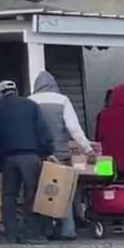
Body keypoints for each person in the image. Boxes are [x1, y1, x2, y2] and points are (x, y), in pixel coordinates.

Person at [29, 71, 94, 239]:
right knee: (64, 193)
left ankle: (46, 230)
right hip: (61, 155)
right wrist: (87, 148)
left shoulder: (30, 101)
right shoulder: (62, 100)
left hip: (39, 156)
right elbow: (74, 128)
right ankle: (67, 230)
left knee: (43, 194)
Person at [0, 80, 53, 244]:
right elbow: (42, 130)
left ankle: (11, 234)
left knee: (9, 196)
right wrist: (47, 151)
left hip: (8, 159)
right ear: (16, 91)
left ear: (1, 94)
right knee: (31, 194)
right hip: (30, 156)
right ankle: (31, 234)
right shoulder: (31, 105)